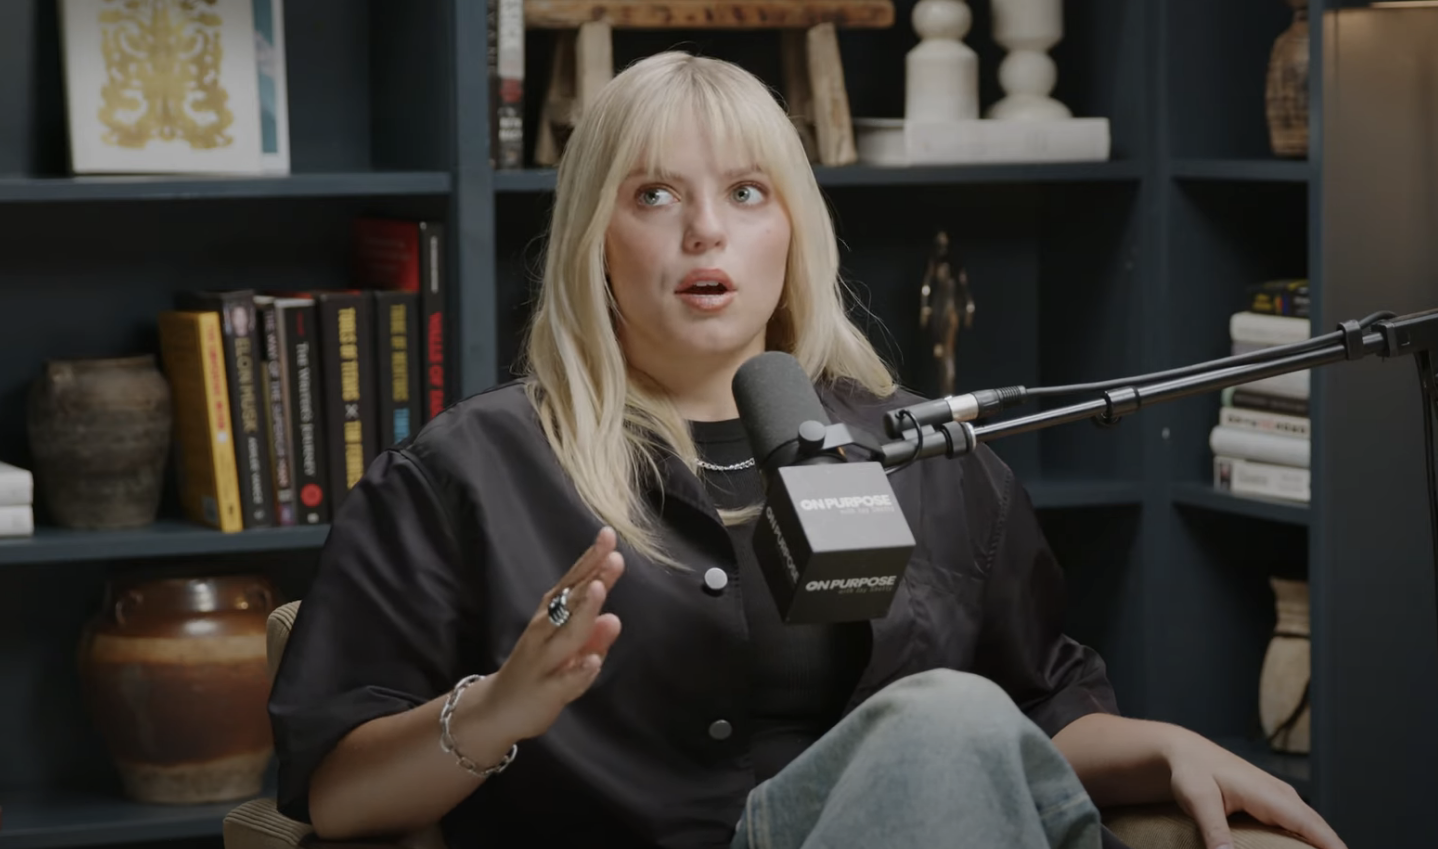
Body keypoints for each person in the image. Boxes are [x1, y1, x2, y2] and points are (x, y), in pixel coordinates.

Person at [267, 51, 1348, 849]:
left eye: (745, 193)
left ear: (792, 229)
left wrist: (1165, 746)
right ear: (597, 235)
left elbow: (1029, 717)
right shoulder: (468, 474)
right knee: (940, 715)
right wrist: (495, 712)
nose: (705, 232)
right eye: (654, 195)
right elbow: (330, 792)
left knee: (948, 722)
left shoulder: (920, 451)